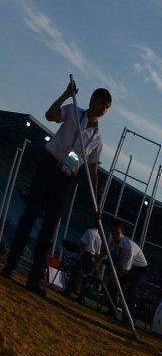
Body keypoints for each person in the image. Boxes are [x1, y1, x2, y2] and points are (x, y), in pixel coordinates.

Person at [2, 82, 110, 297]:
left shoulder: (97, 139)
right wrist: (65, 95)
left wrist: (96, 204)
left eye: (107, 107)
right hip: (49, 166)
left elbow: (93, 172)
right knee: (28, 217)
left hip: (66, 179)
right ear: (93, 100)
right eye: (102, 103)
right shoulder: (72, 110)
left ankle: (33, 280)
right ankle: (9, 266)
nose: (104, 109)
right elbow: (50, 115)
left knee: (49, 229)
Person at [104, 222, 148, 322]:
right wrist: (96, 261)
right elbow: (105, 250)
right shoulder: (112, 239)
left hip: (139, 270)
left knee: (132, 288)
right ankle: (112, 311)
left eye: (116, 232)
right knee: (113, 284)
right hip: (126, 267)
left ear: (121, 232)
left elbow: (124, 270)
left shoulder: (128, 248)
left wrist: (110, 278)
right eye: (112, 232)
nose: (114, 234)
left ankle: (127, 318)